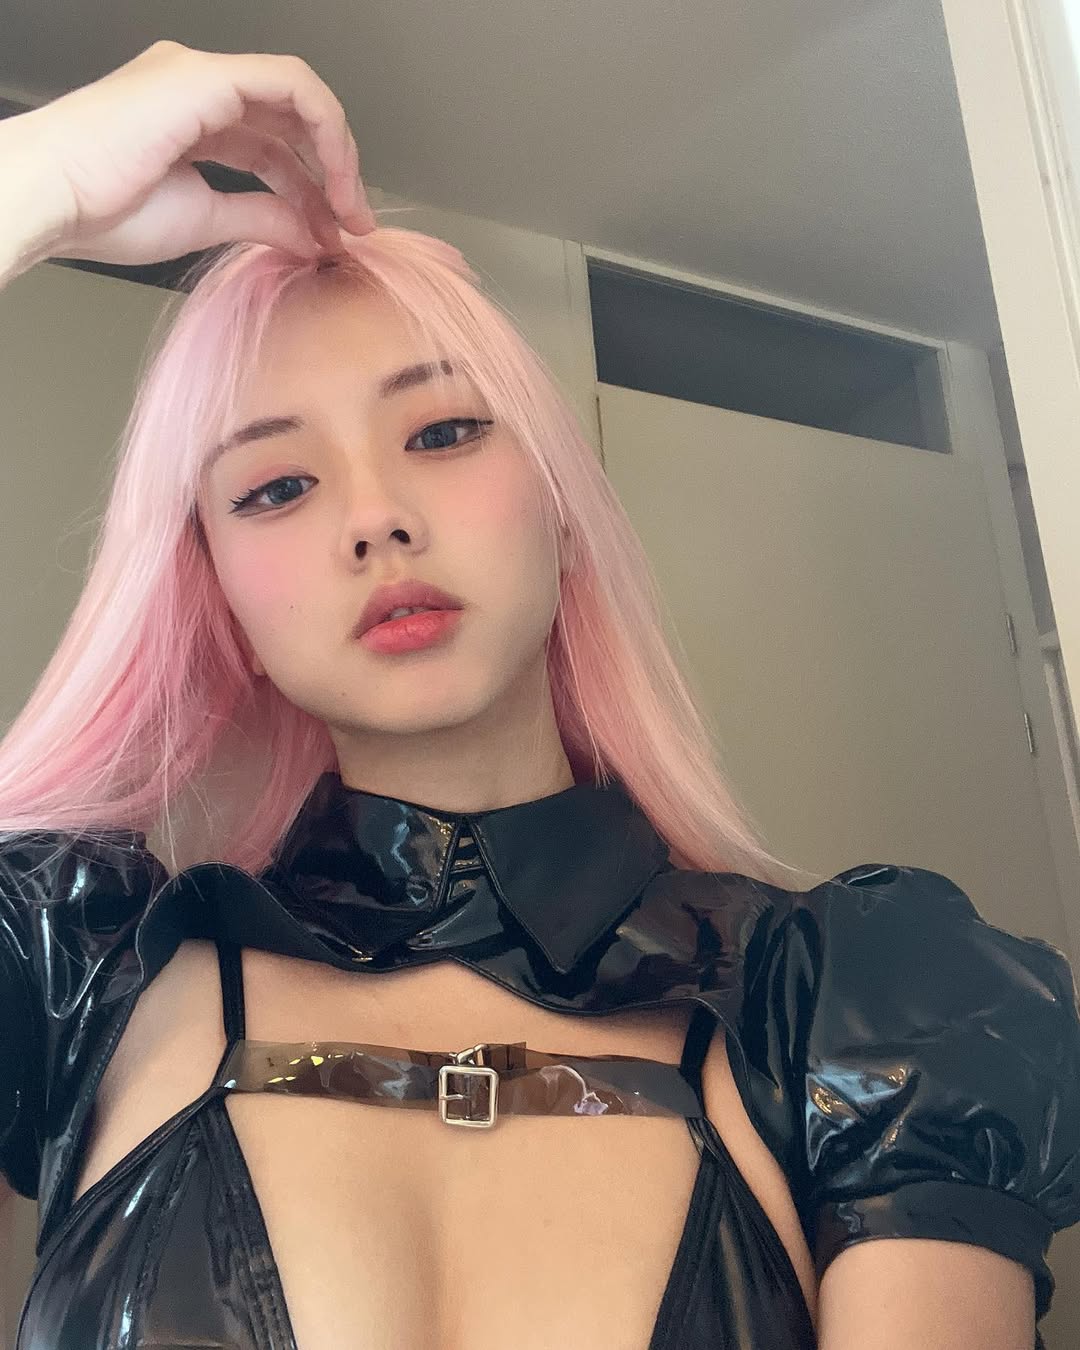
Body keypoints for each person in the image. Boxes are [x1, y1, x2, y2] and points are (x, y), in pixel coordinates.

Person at [0, 39, 1078, 1350]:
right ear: (217, 597)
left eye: (444, 430)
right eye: (276, 486)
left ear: (562, 509)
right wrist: (30, 184)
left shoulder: (854, 1012)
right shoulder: (71, 976)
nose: (376, 518)